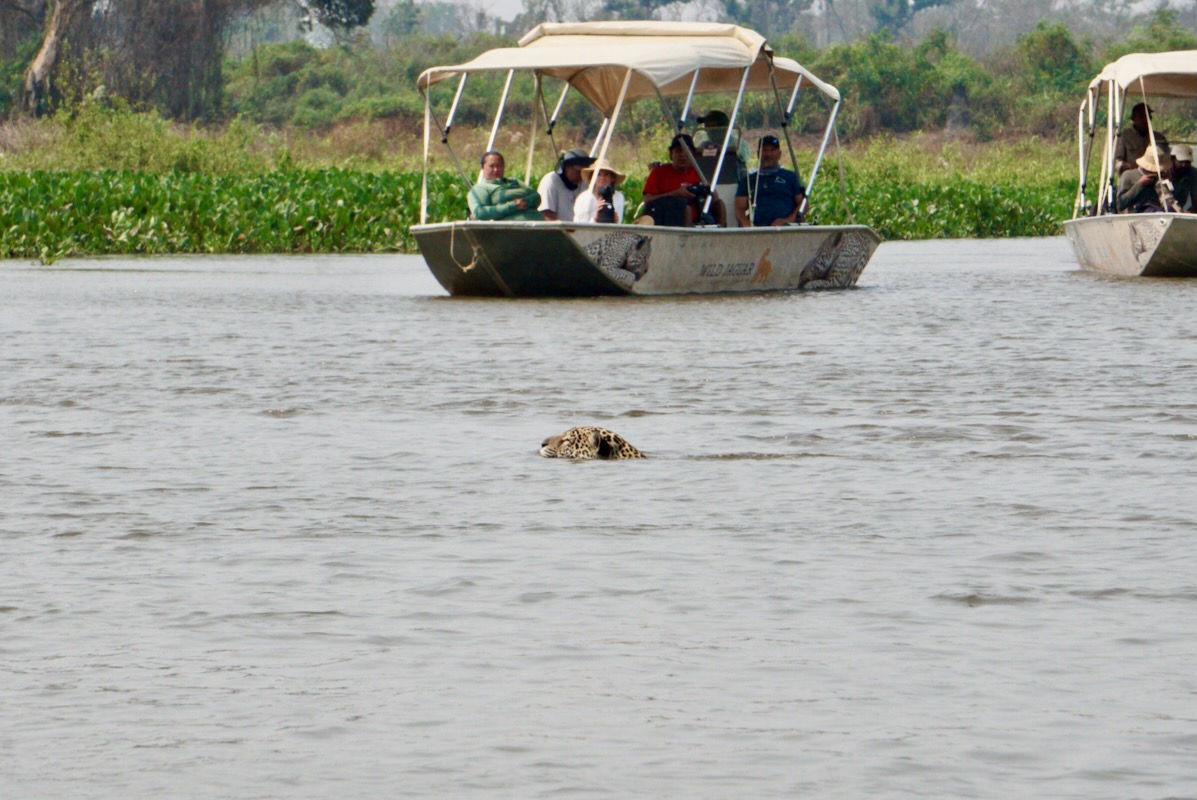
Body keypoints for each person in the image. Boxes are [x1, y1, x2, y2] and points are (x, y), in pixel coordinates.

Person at [642, 133, 725, 226]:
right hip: (669, 220)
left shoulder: (698, 173)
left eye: (687, 151)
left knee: (720, 205)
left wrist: (705, 191)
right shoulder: (658, 172)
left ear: (693, 154)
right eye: (678, 151)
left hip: (698, 221)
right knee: (684, 207)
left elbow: (714, 197)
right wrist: (675, 194)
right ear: (671, 154)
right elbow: (648, 201)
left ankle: (721, 232)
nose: (682, 155)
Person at [735, 134, 807, 227]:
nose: (768, 154)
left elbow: (803, 204)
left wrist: (787, 221)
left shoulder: (790, 177)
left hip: (786, 229)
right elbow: (739, 208)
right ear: (758, 154)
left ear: (779, 154)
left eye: (772, 150)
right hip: (757, 229)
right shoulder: (748, 180)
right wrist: (748, 226)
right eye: (764, 150)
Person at [467, 151, 543, 221]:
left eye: (499, 166)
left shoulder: (515, 181)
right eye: (491, 166)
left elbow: (536, 196)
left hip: (538, 223)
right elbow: (479, 213)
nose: (496, 170)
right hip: (510, 227)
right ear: (482, 167)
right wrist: (513, 206)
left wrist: (526, 202)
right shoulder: (481, 188)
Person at [1117, 145, 1179, 213]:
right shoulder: (1128, 175)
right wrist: (1140, 184)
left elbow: (1171, 201)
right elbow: (1120, 204)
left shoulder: (1162, 177)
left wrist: (1165, 183)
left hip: (1160, 212)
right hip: (1138, 214)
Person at [537, 147, 594, 221]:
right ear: (567, 167)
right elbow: (545, 214)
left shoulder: (584, 183)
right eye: (578, 172)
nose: (581, 176)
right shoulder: (550, 180)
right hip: (557, 227)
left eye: (584, 172)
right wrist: (564, 226)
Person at [1114, 102, 1169, 175]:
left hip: (1155, 176)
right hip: (1131, 177)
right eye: (1141, 116)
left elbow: (1167, 159)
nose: (1145, 119)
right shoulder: (1124, 136)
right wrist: (1128, 166)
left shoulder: (1158, 137)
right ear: (1133, 119)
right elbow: (1115, 162)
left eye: (1147, 116)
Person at [573, 158, 627, 223]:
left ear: (612, 178)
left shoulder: (618, 197)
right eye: (598, 174)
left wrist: (615, 221)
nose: (602, 178)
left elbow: (617, 224)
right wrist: (595, 218)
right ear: (592, 177)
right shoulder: (584, 198)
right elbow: (580, 226)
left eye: (606, 174)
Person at [1169, 144, 1194, 212]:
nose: (1184, 165)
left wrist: (1190, 212)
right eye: (1181, 162)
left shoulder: (1193, 173)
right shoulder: (1164, 173)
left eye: (1187, 162)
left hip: (1180, 211)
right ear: (1173, 159)